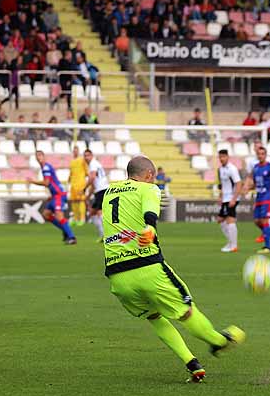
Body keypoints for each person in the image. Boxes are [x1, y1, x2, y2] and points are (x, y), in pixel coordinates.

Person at [101, 155, 245, 383]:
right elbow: (150, 214)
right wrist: (149, 228)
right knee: (186, 310)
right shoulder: (149, 189)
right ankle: (219, 342)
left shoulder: (110, 191)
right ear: (149, 175)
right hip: (147, 268)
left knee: (155, 316)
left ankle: (192, 363)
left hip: (118, 277)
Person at [33, 150, 77, 244]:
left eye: (40, 155)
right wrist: (51, 195)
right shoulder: (45, 167)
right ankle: (65, 230)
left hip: (59, 195)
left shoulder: (46, 168)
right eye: (37, 156)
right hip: (55, 195)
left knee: (59, 216)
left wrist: (33, 181)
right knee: (46, 214)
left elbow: (46, 183)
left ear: (44, 157)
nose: (39, 157)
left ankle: (72, 237)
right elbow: (52, 183)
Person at [215, 149, 242, 253]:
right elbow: (223, 185)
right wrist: (220, 197)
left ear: (227, 157)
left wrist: (234, 199)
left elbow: (239, 184)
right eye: (220, 157)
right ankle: (231, 242)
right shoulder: (220, 169)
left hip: (231, 198)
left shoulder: (232, 169)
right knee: (220, 220)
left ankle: (233, 245)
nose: (221, 159)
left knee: (230, 220)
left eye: (223, 157)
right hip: (225, 198)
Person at [84, 147, 108, 238]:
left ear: (92, 156)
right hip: (100, 190)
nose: (86, 158)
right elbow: (93, 185)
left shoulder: (93, 164)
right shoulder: (95, 164)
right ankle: (102, 235)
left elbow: (92, 177)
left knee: (99, 212)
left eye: (88, 155)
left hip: (102, 190)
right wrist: (88, 196)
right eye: (85, 156)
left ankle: (106, 235)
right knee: (92, 213)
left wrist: (84, 187)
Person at [68, 145, 89, 225]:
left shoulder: (82, 160)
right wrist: (69, 180)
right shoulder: (72, 161)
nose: (75, 152)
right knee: (73, 201)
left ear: (78, 151)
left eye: (76, 150)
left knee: (81, 200)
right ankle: (76, 219)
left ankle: (82, 219)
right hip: (73, 184)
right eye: (74, 150)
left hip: (80, 183)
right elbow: (71, 173)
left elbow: (87, 172)